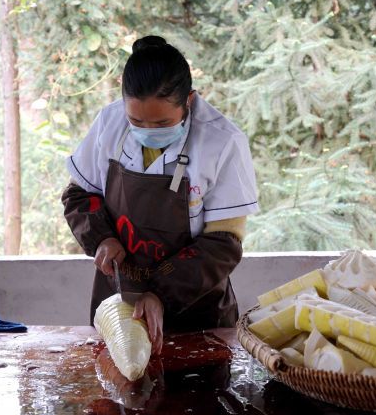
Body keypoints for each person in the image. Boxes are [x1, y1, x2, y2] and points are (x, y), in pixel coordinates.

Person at [61, 35, 259, 354]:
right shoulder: (108, 123)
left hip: (197, 310)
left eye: (163, 122)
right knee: (118, 393)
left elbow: (224, 242)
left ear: (189, 102)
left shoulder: (223, 142)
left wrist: (160, 295)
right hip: (119, 302)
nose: (149, 131)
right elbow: (80, 196)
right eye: (136, 121)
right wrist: (102, 238)